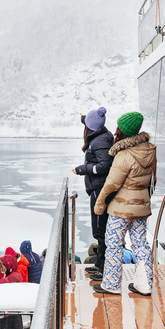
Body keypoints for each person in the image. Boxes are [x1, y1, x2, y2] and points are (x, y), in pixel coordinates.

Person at [92, 112, 157, 297]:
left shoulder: (123, 155)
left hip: (120, 208)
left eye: (118, 127)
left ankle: (111, 284)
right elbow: (153, 180)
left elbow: (111, 184)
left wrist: (100, 204)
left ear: (124, 132)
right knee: (141, 245)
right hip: (141, 208)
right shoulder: (150, 151)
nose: (115, 130)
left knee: (114, 244)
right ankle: (144, 285)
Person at [72, 107, 114, 281]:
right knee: (99, 228)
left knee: (100, 229)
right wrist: (83, 117)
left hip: (100, 189)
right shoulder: (100, 135)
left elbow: (105, 166)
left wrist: (83, 169)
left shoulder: (100, 142)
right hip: (97, 188)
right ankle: (99, 263)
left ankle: (104, 269)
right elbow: (91, 121)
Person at [0, 254, 24, 329]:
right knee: (16, 319)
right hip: (16, 301)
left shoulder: (12, 277)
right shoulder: (15, 274)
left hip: (13, 303)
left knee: (13, 322)